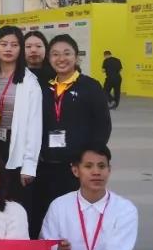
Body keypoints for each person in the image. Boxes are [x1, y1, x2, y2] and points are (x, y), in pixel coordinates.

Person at [34, 34, 111, 238]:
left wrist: (88, 162)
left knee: (76, 217)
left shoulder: (90, 86)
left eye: (67, 53)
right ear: (49, 58)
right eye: (55, 54)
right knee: (48, 214)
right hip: (46, 165)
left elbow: (103, 126)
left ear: (76, 57)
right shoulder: (43, 87)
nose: (61, 59)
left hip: (76, 168)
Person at [0, 27, 42, 207]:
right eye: (4, 44)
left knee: (14, 202)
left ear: (21, 49)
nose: (8, 49)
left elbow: (34, 126)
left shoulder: (29, 82)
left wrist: (29, 165)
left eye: (14, 45)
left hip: (14, 147)